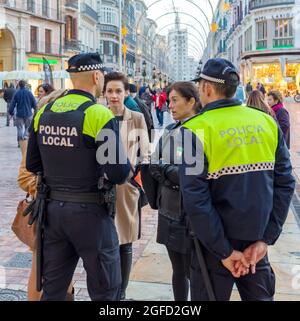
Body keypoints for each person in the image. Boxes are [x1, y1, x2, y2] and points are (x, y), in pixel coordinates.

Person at [180, 58, 295, 301]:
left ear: (207, 89)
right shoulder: (266, 121)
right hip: (256, 247)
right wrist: (265, 239)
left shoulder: (195, 129)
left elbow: (195, 199)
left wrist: (224, 250)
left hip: (213, 250)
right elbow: (285, 183)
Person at [26, 53, 130, 301]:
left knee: (53, 289)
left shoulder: (44, 112)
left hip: (52, 213)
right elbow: (117, 172)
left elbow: (32, 163)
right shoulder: (98, 114)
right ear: (96, 76)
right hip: (91, 214)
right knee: (105, 288)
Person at [18, 89, 74, 301]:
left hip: (71, 213)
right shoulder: (39, 137)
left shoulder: (72, 138)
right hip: (45, 214)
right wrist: (46, 188)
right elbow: (24, 176)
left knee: (65, 271)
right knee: (39, 269)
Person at [148, 81, 201, 301]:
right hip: (168, 208)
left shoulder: (201, 129)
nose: (170, 105)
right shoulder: (170, 129)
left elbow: (188, 174)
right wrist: (166, 171)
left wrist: (165, 170)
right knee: (177, 269)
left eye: (175, 100)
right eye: (169, 100)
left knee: (193, 270)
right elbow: (153, 163)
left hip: (190, 213)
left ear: (191, 101)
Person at [104, 72, 150, 300]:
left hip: (126, 188)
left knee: (125, 242)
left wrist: (135, 181)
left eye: (118, 91)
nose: (114, 95)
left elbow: (146, 153)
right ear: (104, 93)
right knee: (103, 242)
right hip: (100, 189)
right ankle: (108, 291)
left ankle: (121, 294)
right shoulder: (97, 116)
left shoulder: (137, 118)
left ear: (126, 93)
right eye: (110, 91)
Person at [9, 80, 36, 146]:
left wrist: (11, 112)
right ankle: (25, 138)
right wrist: (35, 109)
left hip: (19, 114)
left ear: (19, 85)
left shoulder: (16, 93)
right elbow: (34, 103)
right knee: (28, 127)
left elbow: (12, 104)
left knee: (19, 128)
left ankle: (20, 142)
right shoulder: (29, 93)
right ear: (25, 85)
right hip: (28, 114)